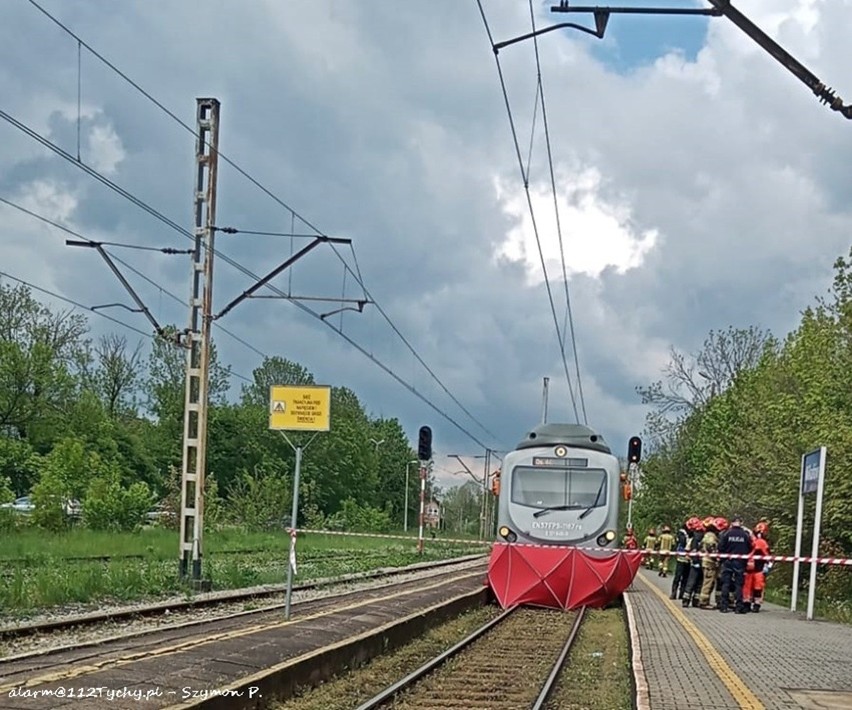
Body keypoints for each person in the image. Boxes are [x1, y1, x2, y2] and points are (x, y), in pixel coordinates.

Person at [717, 514, 753, 613]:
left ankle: (723, 606)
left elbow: (720, 547)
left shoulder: (726, 534)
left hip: (727, 561)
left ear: (732, 523)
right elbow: (750, 547)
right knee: (739, 585)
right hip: (740, 562)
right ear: (741, 523)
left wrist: (723, 558)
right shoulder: (745, 535)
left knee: (726, 584)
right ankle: (738, 607)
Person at [699, 517, 728, 608]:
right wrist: (718, 558)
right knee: (708, 582)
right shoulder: (711, 536)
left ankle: (705, 601)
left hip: (708, 562)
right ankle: (703, 602)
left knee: (709, 582)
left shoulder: (708, 535)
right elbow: (711, 549)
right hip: (709, 563)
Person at [743, 521, 771, 612]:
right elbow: (767, 554)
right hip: (758, 568)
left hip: (749, 568)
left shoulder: (750, 540)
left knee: (748, 587)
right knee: (757, 587)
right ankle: (756, 604)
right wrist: (769, 563)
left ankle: (747, 604)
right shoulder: (762, 542)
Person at [681, 517, 706, 608]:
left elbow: (690, 549)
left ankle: (686, 600)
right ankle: (695, 600)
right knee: (699, 582)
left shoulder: (694, 537)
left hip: (695, 562)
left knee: (691, 581)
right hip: (701, 562)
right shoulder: (701, 536)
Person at [670, 518, 693, 600]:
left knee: (686, 577)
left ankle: (682, 593)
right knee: (678, 576)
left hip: (689, 558)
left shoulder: (694, 533)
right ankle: (674, 592)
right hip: (681, 557)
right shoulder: (682, 533)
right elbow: (682, 542)